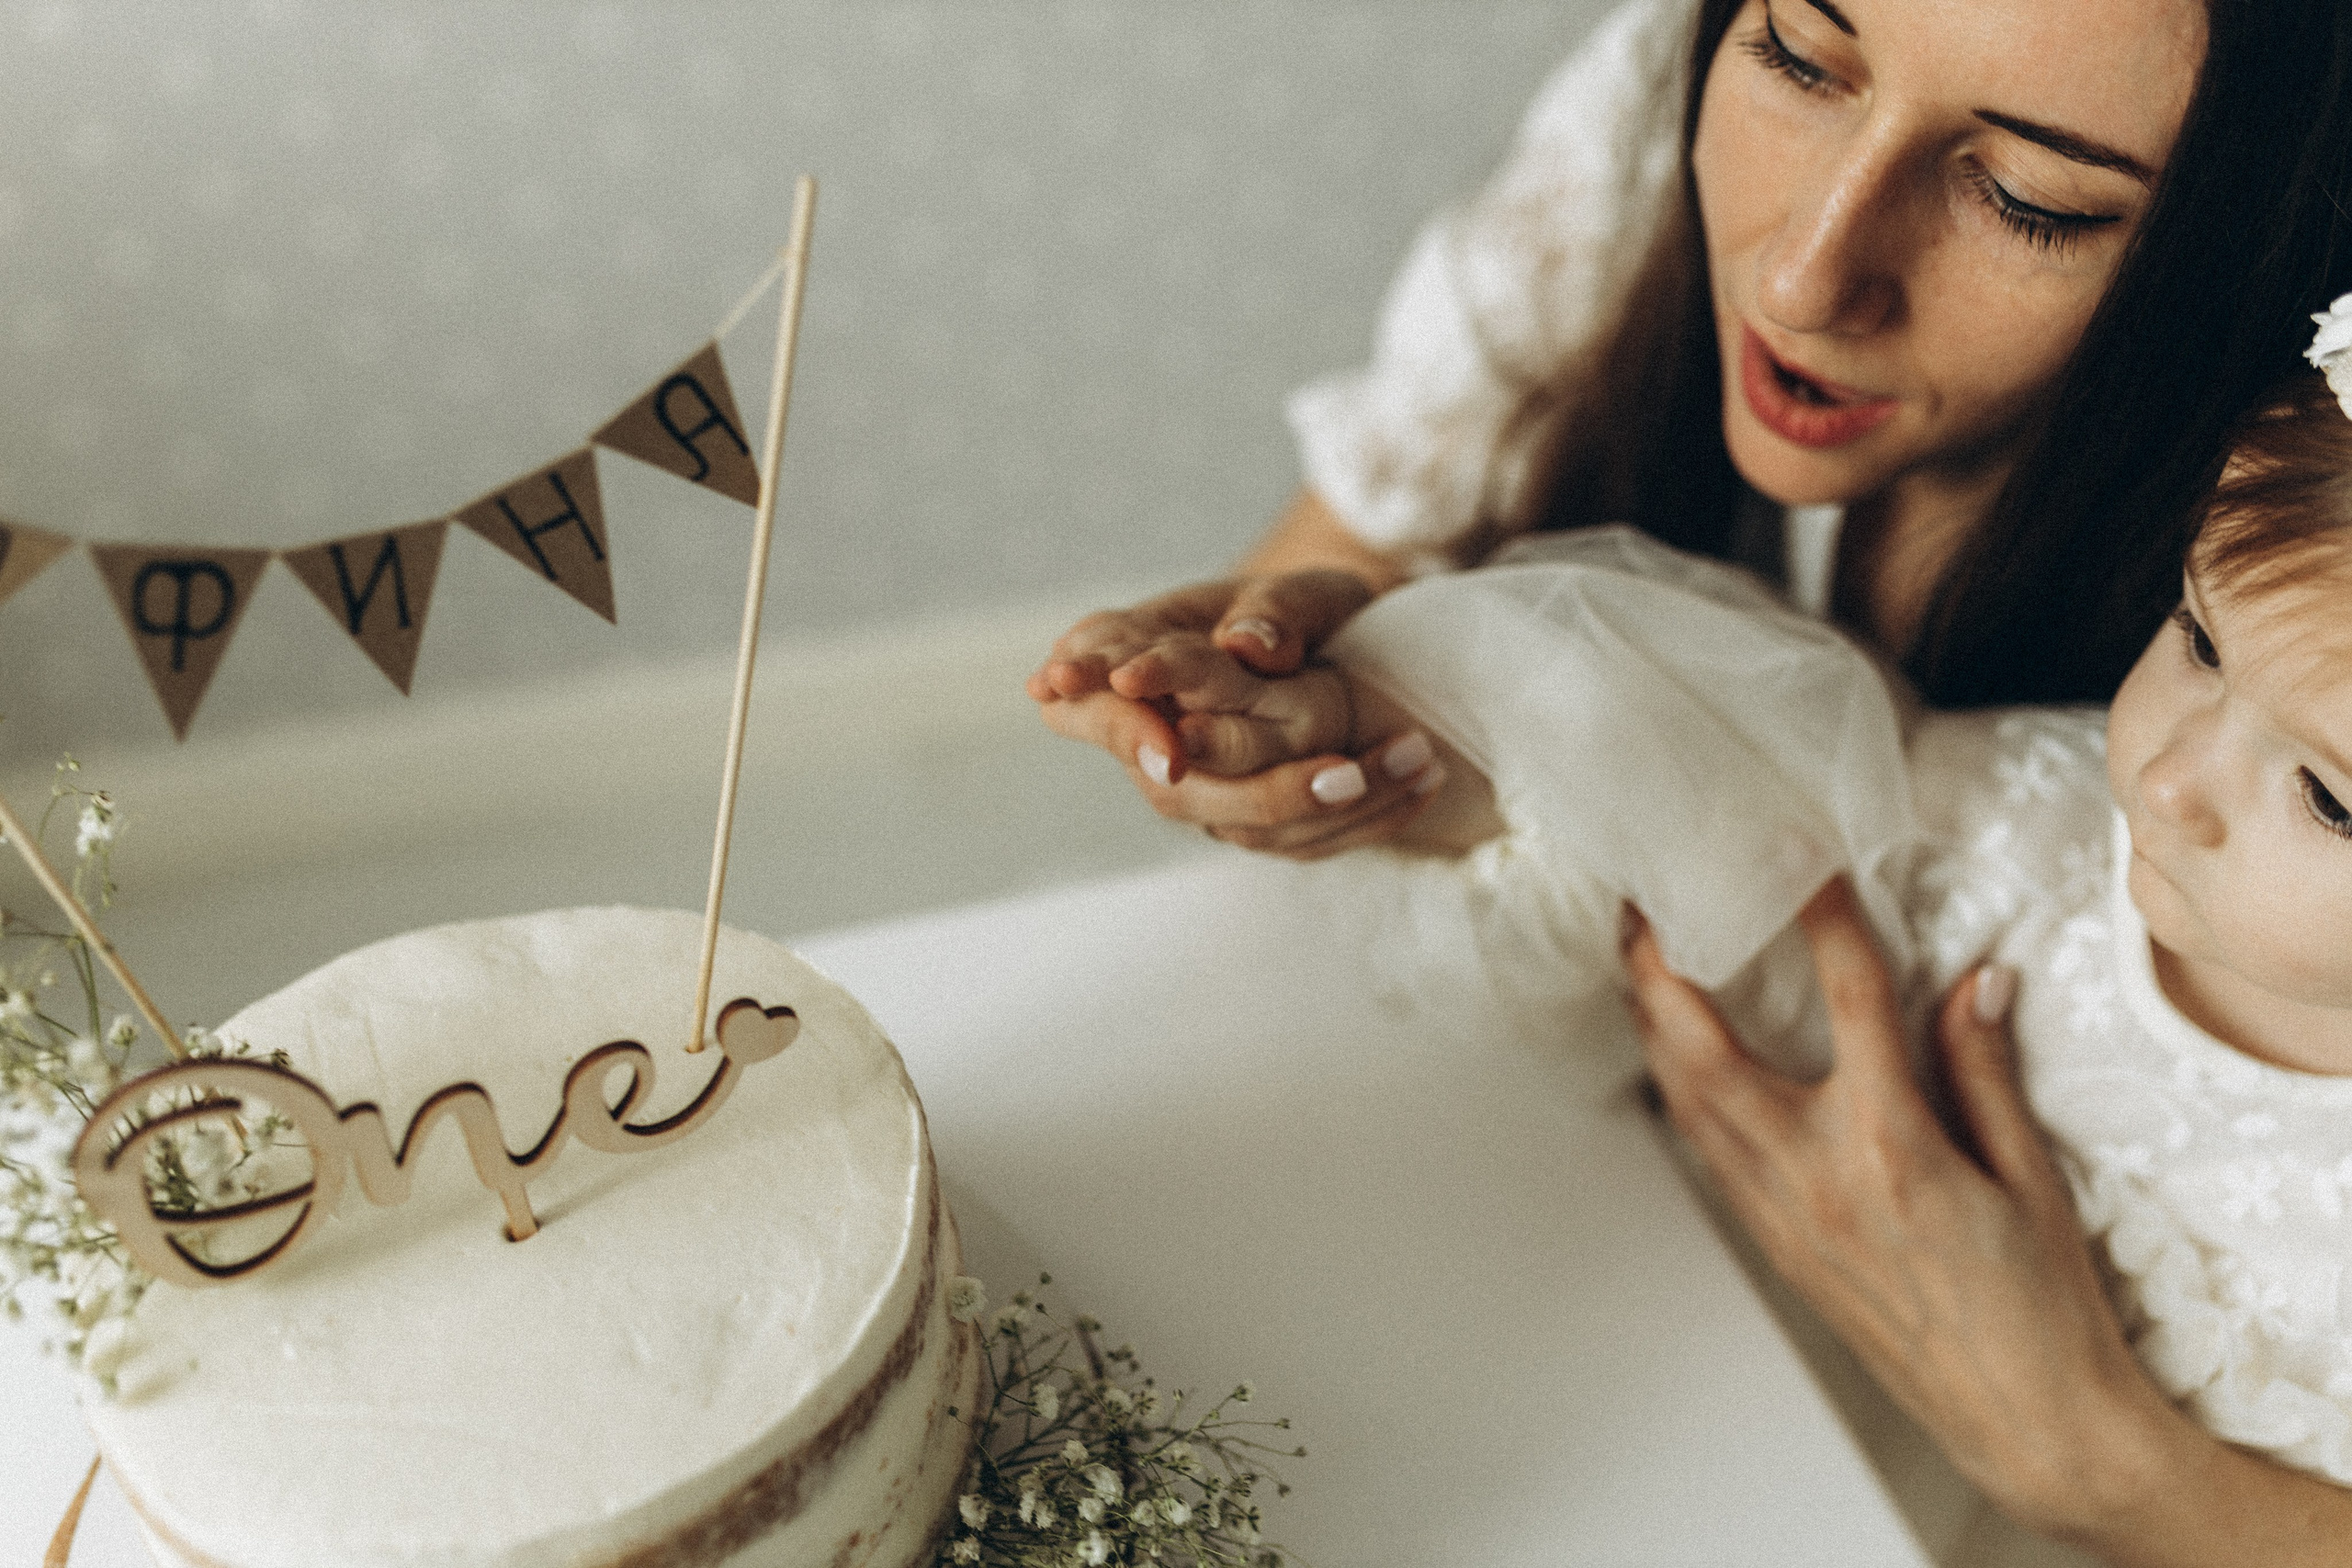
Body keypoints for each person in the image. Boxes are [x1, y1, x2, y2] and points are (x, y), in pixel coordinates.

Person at [1028, 1, 2352, 1560]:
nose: (1803, 276)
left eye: (2031, 201)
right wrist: (1347, 707)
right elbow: (1642, 712)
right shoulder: (2034, 803)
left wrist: (2093, 1460)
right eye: (1797, 52)